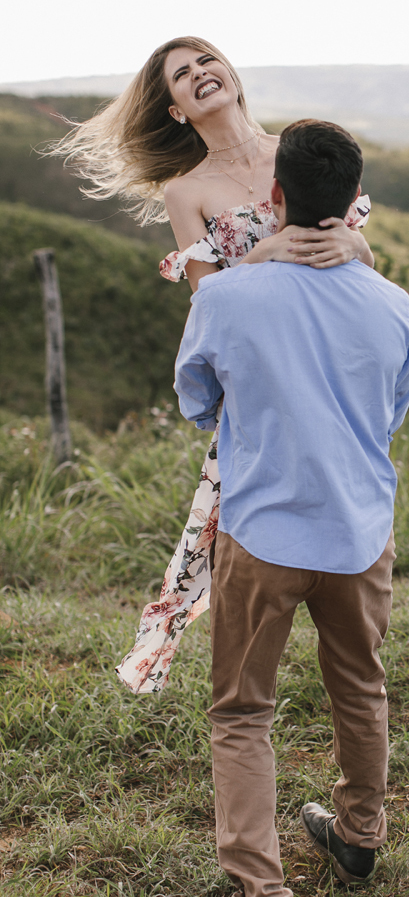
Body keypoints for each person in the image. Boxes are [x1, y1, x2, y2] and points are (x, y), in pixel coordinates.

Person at [47, 37, 373, 691]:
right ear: (173, 110)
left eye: (206, 62)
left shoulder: (302, 151)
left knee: (349, 542)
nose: (200, 74)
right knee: (251, 551)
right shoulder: (186, 191)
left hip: (335, 370)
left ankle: (350, 647)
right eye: (182, 74)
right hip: (260, 382)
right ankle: (246, 683)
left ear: (230, 72)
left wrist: (348, 247)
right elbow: (209, 304)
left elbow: (364, 263)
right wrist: (277, 249)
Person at [174, 118, 409, 897]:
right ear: (355, 206)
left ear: (273, 200)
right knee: (360, 687)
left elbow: (198, 399)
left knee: (242, 711)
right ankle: (357, 838)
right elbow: (392, 411)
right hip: (358, 529)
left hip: (263, 532)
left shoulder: (228, 297)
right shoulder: (392, 302)